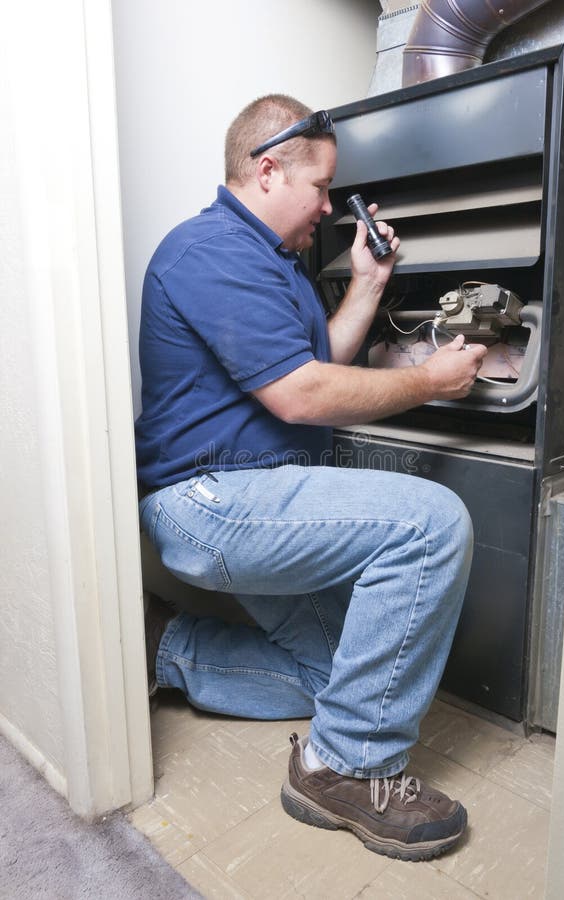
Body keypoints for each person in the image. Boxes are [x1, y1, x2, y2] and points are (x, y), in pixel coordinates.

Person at [136, 94, 487, 862]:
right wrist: (428, 380)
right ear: (268, 172)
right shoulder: (209, 252)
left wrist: (366, 283)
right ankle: (347, 768)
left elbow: (315, 359)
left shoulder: (274, 265)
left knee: (342, 677)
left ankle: (163, 646)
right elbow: (301, 394)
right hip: (214, 502)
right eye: (322, 188)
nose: (329, 207)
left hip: (255, 496)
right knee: (431, 523)